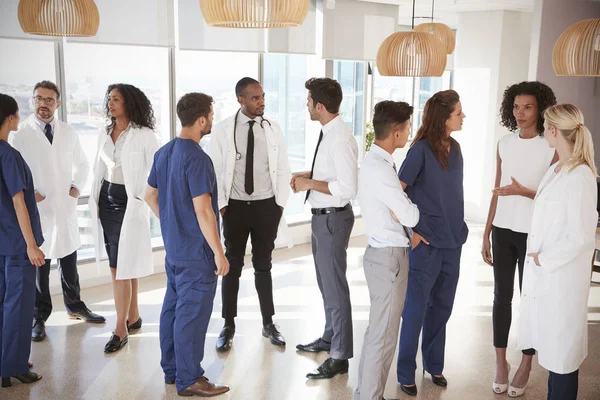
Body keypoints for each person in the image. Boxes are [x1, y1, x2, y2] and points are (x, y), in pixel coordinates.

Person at [145, 92, 230, 397]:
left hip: (175, 250)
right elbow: (204, 210)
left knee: (172, 310)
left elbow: (149, 196)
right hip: (196, 253)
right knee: (191, 317)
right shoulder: (197, 158)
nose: (212, 120)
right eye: (211, 114)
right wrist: (219, 253)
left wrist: (170, 223)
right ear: (202, 119)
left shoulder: (164, 152)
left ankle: (172, 369)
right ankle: (190, 377)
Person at [11, 81, 105, 342]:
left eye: (49, 100)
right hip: (39, 208)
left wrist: (75, 189)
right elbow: (17, 172)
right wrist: (33, 195)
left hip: (65, 207)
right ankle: (39, 316)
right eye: (39, 99)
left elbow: (83, 164)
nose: (43, 104)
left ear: (58, 103)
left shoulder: (68, 131)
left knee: (69, 260)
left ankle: (75, 306)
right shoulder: (21, 135)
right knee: (41, 264)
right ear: (32, 101)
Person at [481, 81, 557, 397]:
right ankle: (501, 362)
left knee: (529, 301)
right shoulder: (505, 143)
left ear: (540, 108)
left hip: (533, 234)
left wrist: (524, 192)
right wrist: (486, 232)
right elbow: (498, 190)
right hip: (502, 231)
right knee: (501, 297)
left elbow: (554, 198)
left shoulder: (551, 147)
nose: (520, 112)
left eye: (527, 107)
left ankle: (526, 362)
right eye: (515, 106)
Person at [519, 104, 597, 400]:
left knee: (563, 359)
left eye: (545, 127)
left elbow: (580, 236)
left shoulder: (580, 177)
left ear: (553, 131)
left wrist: (544, 259)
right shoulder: (556, 170)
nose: (543, 132)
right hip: (547, 279)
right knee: (553, 354)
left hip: (561, 279)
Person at [208, 77, 291, 352]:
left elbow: (283, 168)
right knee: (232, 266)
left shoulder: (273, 129)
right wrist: (222, 205)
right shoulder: (222, 130)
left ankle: (269, 323)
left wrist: (278, 206)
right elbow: (216, 169)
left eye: (263, 96)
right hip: (235, 207)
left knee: (263, 265)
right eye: (255, 98)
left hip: (267, 206)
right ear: (240, 100)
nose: (261, 102)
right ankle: (228, 324)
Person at [396, 90, 468, 397]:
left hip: (454, 241)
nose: (463, 117)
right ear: (444, 117)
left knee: (442, 306)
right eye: (458, 113)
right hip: (426, 243)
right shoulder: (420, 150)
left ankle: (434, 365)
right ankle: (405, 372)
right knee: (415, 309)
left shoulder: (456, 148)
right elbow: (397, 191)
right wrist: (410, 230)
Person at [292, 77, 358, 379]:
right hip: (323, 218)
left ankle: (340, 355)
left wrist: (309, 183)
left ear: (320, 105)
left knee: (335, 287)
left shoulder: (340, 138)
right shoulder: (329, 133)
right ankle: (331, 336)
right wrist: (310, 175)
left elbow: (347, 188)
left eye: (308, 101)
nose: (306, 105)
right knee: (326, 284)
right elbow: (332, 175)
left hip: (333, 218)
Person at [355, 100, 419, 400]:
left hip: (380, 254)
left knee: (377, 333)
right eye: (407, 127)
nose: (409, 132)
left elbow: (399, 211)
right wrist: (408, 209)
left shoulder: (375, 162)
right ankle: (370, 396)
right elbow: (409, 215)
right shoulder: (381, 169)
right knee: (383, 336)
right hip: (390, 257)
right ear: (396, 132)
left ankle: (365, 393)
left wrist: (401, 209)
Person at [88, 84, 158, 353]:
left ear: (129, 102)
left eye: (116, 98)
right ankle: (133, 316)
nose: (110, 102)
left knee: (121, 267)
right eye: (109, 98)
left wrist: (142, 197)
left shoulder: (144, 135)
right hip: (106, 199)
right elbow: (101, 167)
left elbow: (157, 171)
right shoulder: (105, 132)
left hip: (129, 203)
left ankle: (120, 329)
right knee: (122, 262)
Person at [0, 93, 45, 388]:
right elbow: (18, 202)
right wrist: (31, 244)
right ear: (11, 119)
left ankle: (5, 362)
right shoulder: (8, 154)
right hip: (17, 245)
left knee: (3, 305)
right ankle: (13, 365)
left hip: (2, 242)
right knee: (18, 306)